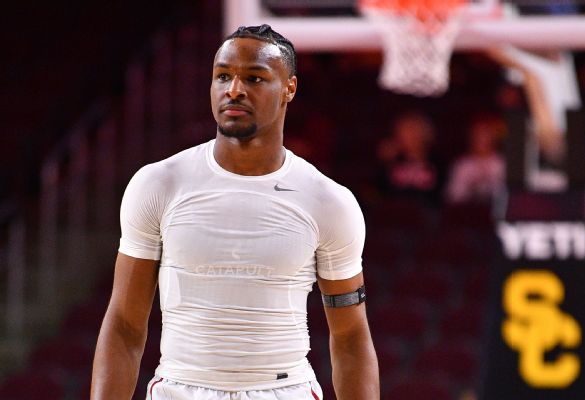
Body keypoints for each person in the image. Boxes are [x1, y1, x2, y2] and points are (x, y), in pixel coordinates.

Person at [90, 24, 379, 400]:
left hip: (284, 390)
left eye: (254, 78)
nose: (234, 90)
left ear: (289, 88)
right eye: (223, 76)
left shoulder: (328, 201)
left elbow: (351, 336)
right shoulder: (159, 183)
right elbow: (125, 325)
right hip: (179, 388)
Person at [376, 112, 444, 205]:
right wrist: (384, 163)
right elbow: (381, 192)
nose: (405, 136)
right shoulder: (391, 164)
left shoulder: (437, 163)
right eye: (402, 131)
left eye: (411, 130)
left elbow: (441, 196)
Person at [445, 114, 506, 204]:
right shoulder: (462, 165)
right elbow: (453, 196)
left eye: (485, 134)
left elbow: (508, 194)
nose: (481, 139)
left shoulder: (502, 163)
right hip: (468, 213)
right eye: (477, 134)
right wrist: (471, 186)